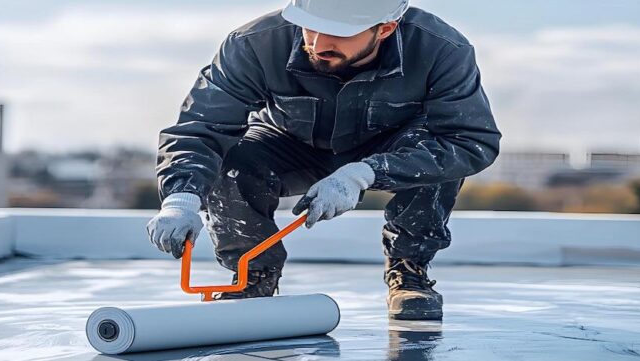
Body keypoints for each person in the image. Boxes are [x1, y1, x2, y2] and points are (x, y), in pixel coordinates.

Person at [146, 0, 501, 320]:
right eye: (310, 27)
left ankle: (409, 271)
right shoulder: (254, 43)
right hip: (289, 142)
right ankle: (252, 276)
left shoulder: (442, 49)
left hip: (391, 149)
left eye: (338, 33)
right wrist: (180, 199)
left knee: (437, 158)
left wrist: (364, 173)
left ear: (385, 28)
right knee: (234, 164)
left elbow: (468, 140)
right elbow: (202, 126)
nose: (317, 44)